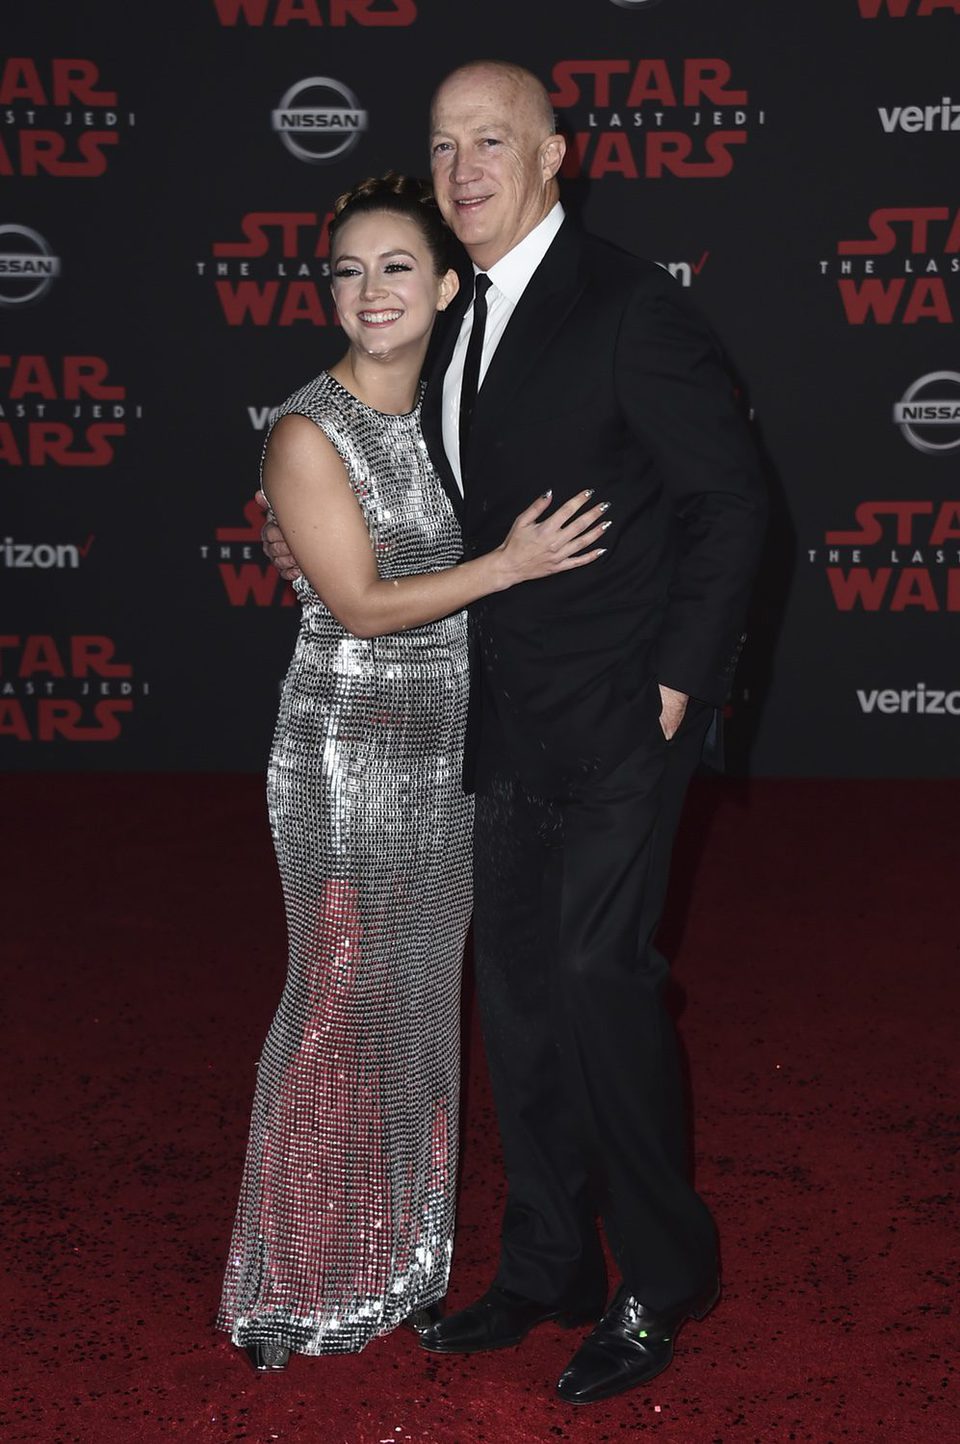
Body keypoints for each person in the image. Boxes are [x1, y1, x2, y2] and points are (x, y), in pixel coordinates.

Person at [263, 61, 768, 1405]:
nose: (462, 167)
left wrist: (677, 684)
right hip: (495, 721)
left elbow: (732, 504)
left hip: (616, 716)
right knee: (524, 1003)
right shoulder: (451, 315)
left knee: (604, 982)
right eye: (442, 145)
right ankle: (549, 1261)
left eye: (493, 141)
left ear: (555, 157)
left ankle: (666, 1276)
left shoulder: (627, 308)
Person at [217, 172, 609, 1372]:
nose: (371, 291)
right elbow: (365, 605)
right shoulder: (303, 428)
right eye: (348, 269)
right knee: (334, 994)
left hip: (455, 749)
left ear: (447, 286)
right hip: (347, 748)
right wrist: (508, 564)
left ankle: (391, 1256)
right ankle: (287, 1276)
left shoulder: (459, 402)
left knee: (414, 1005)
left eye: (397, 267)